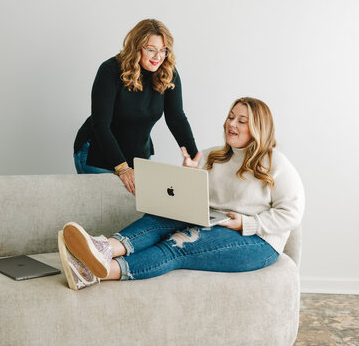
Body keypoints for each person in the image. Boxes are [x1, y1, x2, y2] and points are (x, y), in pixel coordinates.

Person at [59, 97, 304, 290]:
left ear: (258, 128)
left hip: (258, 241)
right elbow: (192, 200)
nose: (231, 124)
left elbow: (292, 213)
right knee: (157, 219)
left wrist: (247, 223)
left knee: (179, 244)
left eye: (241, 120)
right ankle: (103, 249)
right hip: (213, 220)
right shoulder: (211, 156)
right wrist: (188, 178)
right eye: (231, 117)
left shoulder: (275, 163)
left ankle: (96, 272)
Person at [73, 18, 199, 194]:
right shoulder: (110, 70)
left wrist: (195, 160)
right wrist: (123, 169)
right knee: (117, 204)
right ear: (136, 47)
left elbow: (176, 118)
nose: (158, 57)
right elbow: (101, 125)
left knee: (147, 202)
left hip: (138, 155)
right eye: (151, 50)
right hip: (97, 153)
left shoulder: (168, 72)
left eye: (164, 50)